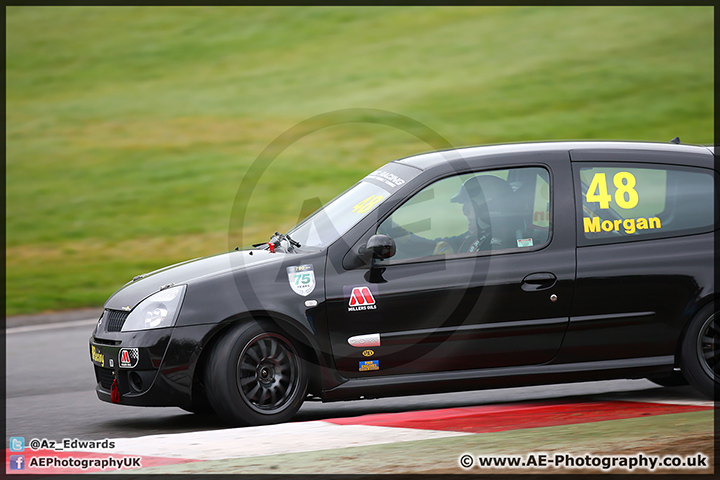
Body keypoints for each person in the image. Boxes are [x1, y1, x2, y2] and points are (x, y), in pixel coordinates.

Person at [380, 175, 515, 258]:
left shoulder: (511, 243)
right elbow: (423, 246)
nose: (464, 212)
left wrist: (454, 265)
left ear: (489, 208)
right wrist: (385, 223)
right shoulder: (473, 237)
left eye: (469, 206)